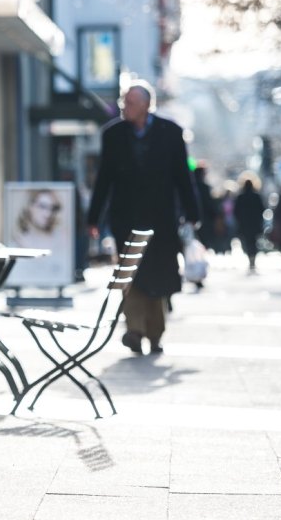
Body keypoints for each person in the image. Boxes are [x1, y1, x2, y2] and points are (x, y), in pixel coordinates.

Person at [87, 80, 200, 355]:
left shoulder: (170, 132)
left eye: (131, 102)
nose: (125, 107)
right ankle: (135, 330)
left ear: (147, 105)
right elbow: (104, 179)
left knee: (158, 276)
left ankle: (155, 334)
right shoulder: (113, 134)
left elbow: (182, 177)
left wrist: (193, 212)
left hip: (161, 218)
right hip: (125, 217)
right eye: (124, 101)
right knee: (131, 275)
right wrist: (94, 218)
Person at [233, 178, 265, 271]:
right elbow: (262, 209)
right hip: (254, 223)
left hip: (244, 224)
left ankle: (251, 258)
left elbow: (236, 212)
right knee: (253, 242)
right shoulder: (256, 196)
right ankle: (252, 259)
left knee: (247, 242)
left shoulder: (240, 197)